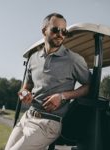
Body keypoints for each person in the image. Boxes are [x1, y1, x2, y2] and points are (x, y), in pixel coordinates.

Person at [5, 13, 91, 150]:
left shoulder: (73, 60)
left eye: (64, 31)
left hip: (49, 123)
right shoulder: (33, 58)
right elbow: (24, 88)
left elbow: (89, 87)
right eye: (55, 30)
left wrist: (63, 96)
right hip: (27, 117)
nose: (60, 34)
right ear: (44, 30)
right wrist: (24, 94)